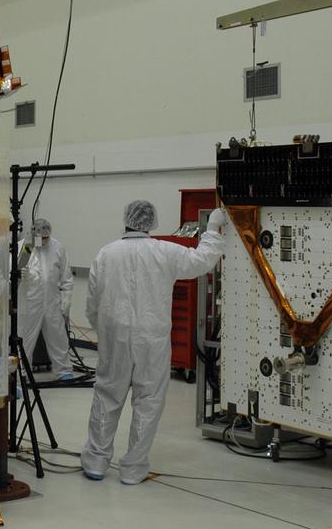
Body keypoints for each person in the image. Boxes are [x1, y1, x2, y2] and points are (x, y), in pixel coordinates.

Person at [80, 200, 226, 484]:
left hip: (115, 337)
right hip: (152, 338)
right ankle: (133, 469)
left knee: (107, 395)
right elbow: (202, 261)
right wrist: (211, 228)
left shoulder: (106, 254)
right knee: (148, 400)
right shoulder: (164, 251)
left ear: (126, 219)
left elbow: (93, 302)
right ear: (152, 222)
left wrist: (105, 331)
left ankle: (97, 461)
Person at [19, 218, 76, 380]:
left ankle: (64, 370)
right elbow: (14, 276)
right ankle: (21, 374)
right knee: (25, 339)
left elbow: (66, 276)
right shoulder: (27, 246)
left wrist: (67, 297)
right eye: (41, 237)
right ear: (33, 233)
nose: (44, 241)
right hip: (29, 302)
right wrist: (23, 276)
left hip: (52, 301)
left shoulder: (57, 247)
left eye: (46, 237)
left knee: (58, 336)